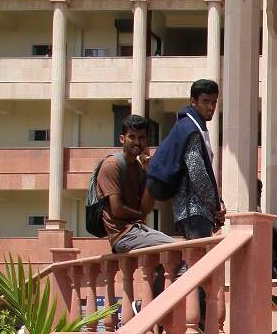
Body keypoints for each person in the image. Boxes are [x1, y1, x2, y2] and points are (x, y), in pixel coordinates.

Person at [151, 79, 226, 240]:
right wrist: (216, 205)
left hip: (192, 212)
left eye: (214, 102)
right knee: (199, 255)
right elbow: (197, 174)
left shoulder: (191, 126)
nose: (211, 107)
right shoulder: (190, 129)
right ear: (193, 101)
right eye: (205, 102)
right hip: (193, 211)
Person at [97, 115, 174, 254]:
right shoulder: (112, 165)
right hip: (123, 236)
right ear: (122, 139)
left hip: (137, 231)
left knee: (175, 255)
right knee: (176, 247)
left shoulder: (138, 168)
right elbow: (117, 209)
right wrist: (140, 215)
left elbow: (146, 208)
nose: (137, 142)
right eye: (132, 137)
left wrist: (149, 173)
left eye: (141, 137)